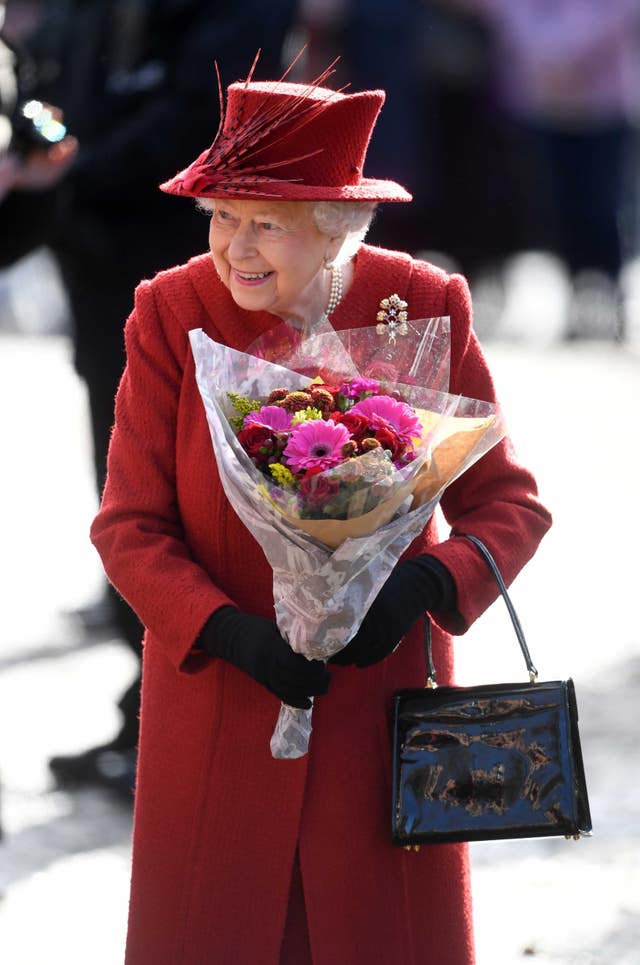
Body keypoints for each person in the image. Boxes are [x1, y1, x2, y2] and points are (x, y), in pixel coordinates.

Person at [89, 56, 552, 965]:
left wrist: (424, 581)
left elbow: (509, 504)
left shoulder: (419, 305)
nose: (237, 248)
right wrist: (226, 632)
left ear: (337, 229)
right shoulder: (170, 313)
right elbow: (128, 526)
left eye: (268, 223)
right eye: (223, 217)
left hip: (377, 716)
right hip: (222, 708)